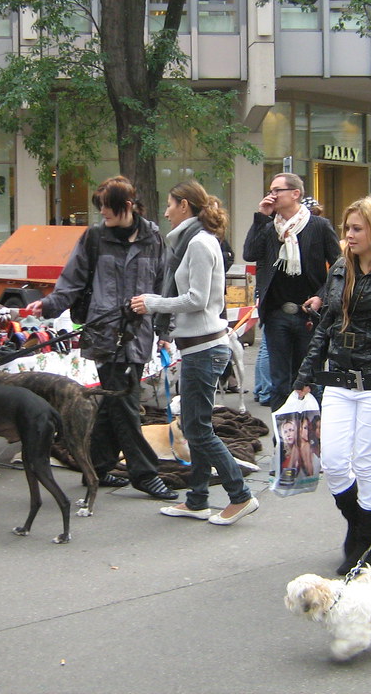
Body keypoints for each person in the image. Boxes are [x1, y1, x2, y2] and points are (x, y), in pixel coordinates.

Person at [26, 176, 176, 500]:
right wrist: (48, 305)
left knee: (113, 401)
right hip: (105, 333)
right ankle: (145, 473)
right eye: (101, 207)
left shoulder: (153, 238)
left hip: (138, 334)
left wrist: (165, 330)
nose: (103, 212)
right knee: (125, 401)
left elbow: (163, 286)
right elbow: (72, 279)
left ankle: (98, 465)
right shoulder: (94, 237)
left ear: (128, 205)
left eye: (108, 207)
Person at [293, 195, 371, 575]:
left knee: (367, 463)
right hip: (338, 378)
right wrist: (305, 374)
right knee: (332, 461)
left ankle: (364, 543)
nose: (348, 235)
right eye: (347, 228)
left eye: (356, 228)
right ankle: (365, 527)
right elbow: (327, 326)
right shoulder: (340, 271)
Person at [131, 181, 259, 524]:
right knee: (196, 424)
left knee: (198, 429)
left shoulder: (200, 244)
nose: (167, 211)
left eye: (171, 205)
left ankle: (240, 495)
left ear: (184, 206)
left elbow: (198, 300)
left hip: (206, 349)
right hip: (198, 348)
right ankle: (198, 498)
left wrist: (155, 303)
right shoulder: (193, 242)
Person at [243, 173, 341, 411]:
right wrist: (261, 218)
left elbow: (340, 267)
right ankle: (281, 443)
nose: (271, 195)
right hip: (277, 314)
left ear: (295, 194)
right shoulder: (268, 227)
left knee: (309, 380)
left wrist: (322, 296)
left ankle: (312, 438)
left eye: (277, 191)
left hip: (310, 315)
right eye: (270, 191)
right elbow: (249, 253)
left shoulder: (319, 226)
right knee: (280, 382)